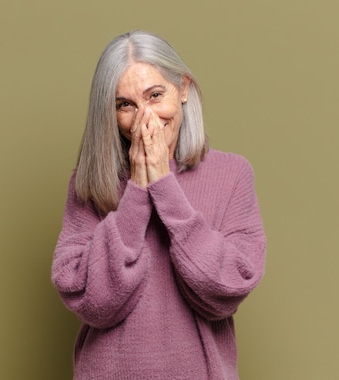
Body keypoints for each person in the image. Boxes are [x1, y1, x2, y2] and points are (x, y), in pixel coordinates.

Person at [51, 30, 266, 380]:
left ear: (182, 88)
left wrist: (164, 187)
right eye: (126, 104)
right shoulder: (88, 184)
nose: (144, 118)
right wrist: (136, 190)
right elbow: (94, 302)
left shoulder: (233, 174)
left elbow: (225, 290)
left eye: (155, 95)